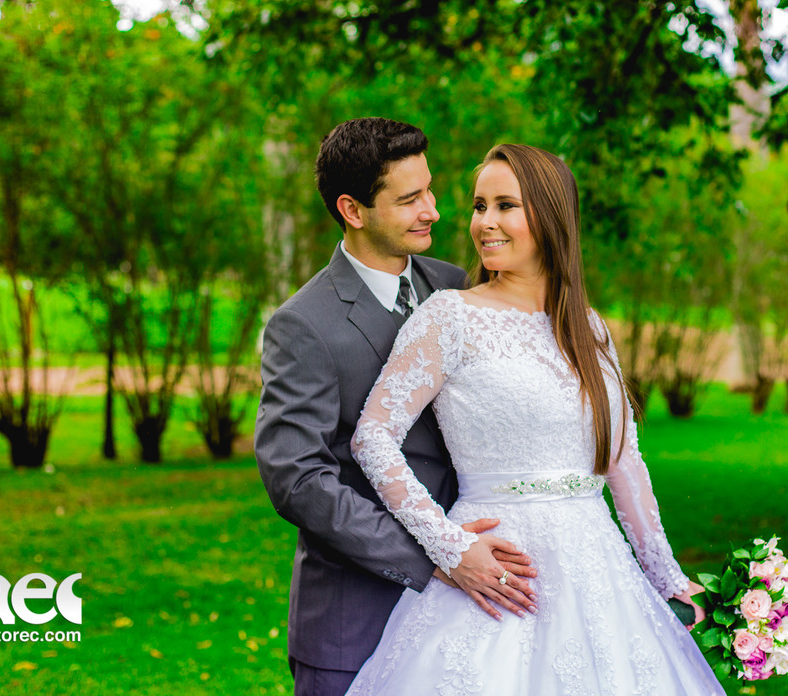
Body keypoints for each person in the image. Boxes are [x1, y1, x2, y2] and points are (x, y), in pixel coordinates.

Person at [345, 144, 725, 694]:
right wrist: (448, 544)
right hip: (499, 570)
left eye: (506, 205)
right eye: (480, 206)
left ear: (550, 216)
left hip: (599, 570)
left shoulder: (589, 327)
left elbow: (622, 461)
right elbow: (374, 437)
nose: (485, 222)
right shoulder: (449, 317)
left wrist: (668, 577)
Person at [254, 118, 538, 696]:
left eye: (429, 191)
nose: (433, 211)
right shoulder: (302, 324)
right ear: (353, 210)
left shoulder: (457, 286)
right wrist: (435, 553)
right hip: (356, 617)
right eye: (410, 200)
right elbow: (297, 479)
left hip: (475, 610)